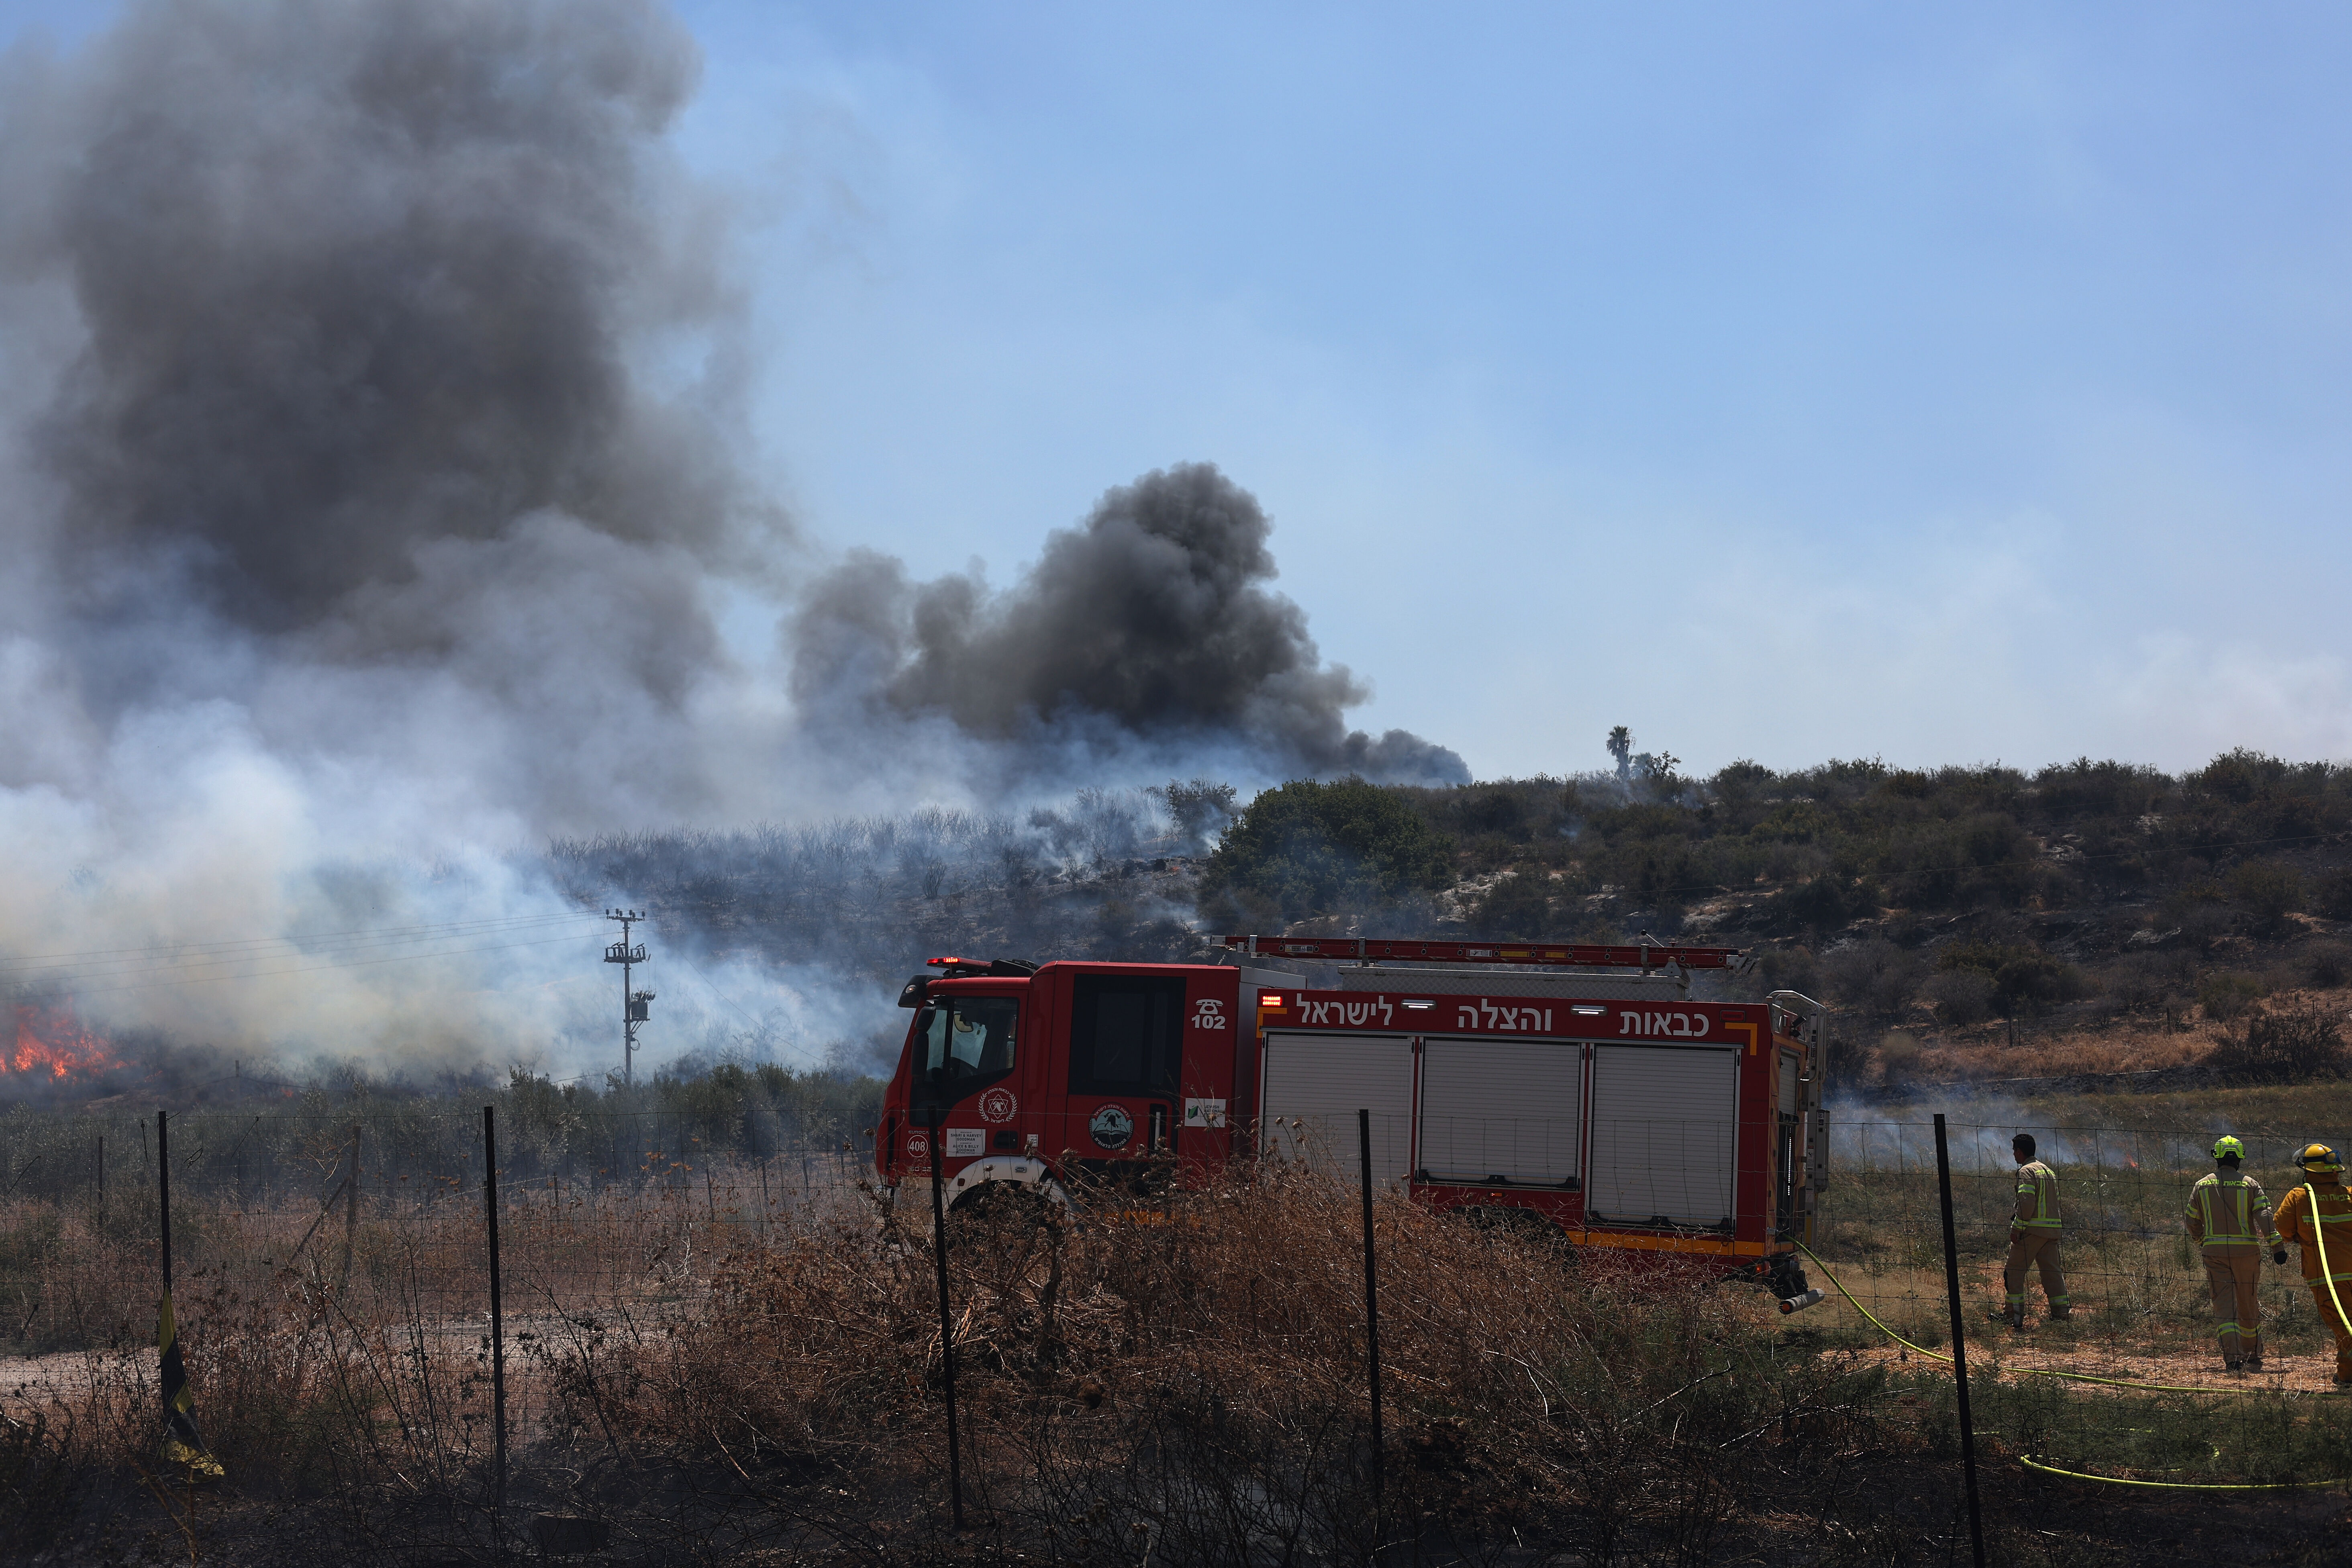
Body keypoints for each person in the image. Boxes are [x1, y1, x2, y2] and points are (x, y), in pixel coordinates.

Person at [2183, 1135, 2280, 1372]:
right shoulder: (2250, 1184)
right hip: (2247, 1254)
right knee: (2248, 1301)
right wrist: (2277, 1247)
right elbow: (2265, 1217)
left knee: (2224, 1306)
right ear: (2239, 1159)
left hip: (2214, 1255)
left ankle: (2233, 1359)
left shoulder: (2202, 1185)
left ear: (2216, 1158)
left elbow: (2191, 1220)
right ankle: (2254, 1355)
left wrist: (2202, 1241)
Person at [2273, 1143, 2352, 1390]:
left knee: (2345, 1328)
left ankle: (2348, 1378)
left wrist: (2301, 1236)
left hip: (2327, 1277)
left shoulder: (2299, 1197)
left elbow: (2282, 1230)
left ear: (2306, 1170)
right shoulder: (2350, 1193)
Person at [2001, 1133, 2068, 1330]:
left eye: (2015, 1151)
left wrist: (2018, 1227)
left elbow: (2027, 1202)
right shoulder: (2047, 1170)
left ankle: (2013, 1316)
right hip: (2052, 1231)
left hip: (2032, 1231)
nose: (2014, 1155)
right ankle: (2061, 1314)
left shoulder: (2027, 1171)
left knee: (2013, 1271)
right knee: (2052, 1273)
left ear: (2020, 1151)